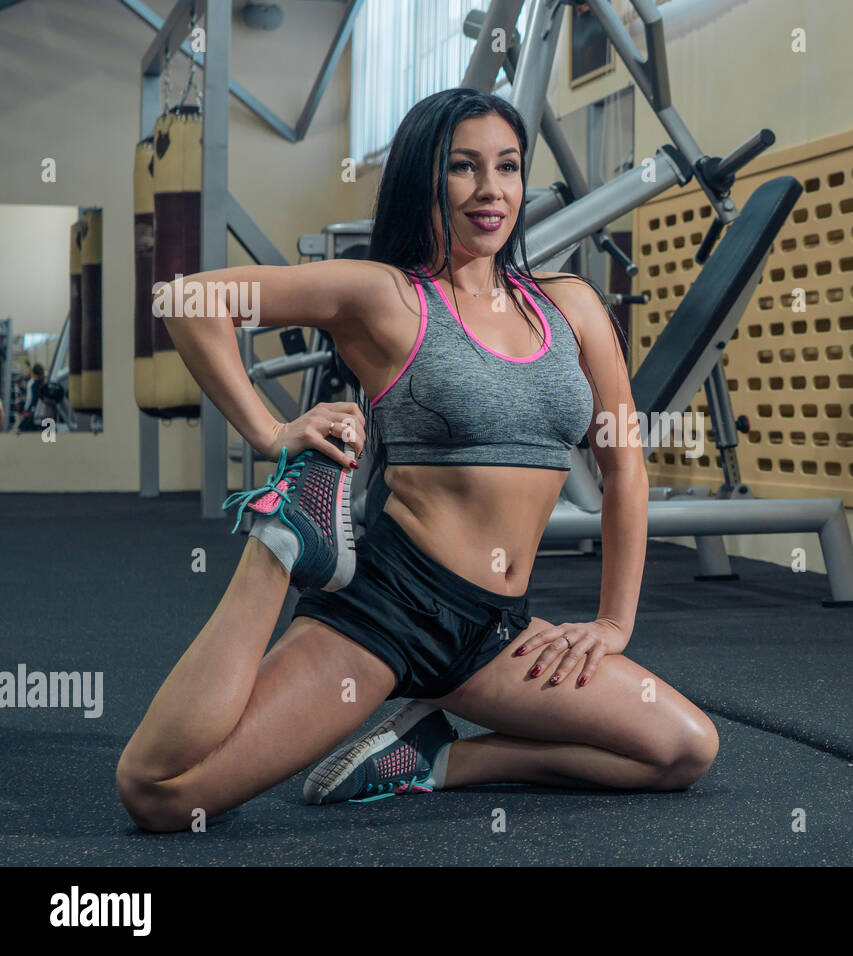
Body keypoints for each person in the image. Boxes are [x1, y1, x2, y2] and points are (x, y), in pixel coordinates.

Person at [115, 88, 719, 832]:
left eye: (507, 167)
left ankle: (434, 759)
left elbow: (625, 466)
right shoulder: (387, 295)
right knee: (165, 795)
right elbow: (186, 303)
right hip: (386, 613)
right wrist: (272, 434)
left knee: (682, 750)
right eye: (464, 168)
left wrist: (613, 623)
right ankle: (280, 542)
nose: (491, 190)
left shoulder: (573, 306)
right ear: (423, 180)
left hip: (496, 633)